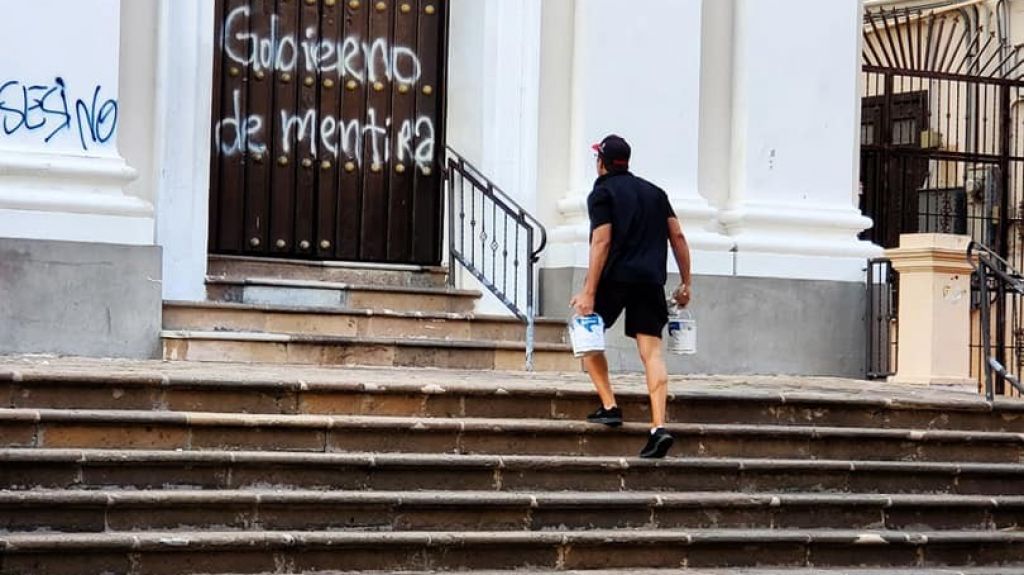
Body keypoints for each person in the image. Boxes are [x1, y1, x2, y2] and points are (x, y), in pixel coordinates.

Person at [570, 134, 692, 459]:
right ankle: (658, 428)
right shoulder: (655, 193)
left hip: (614, 278)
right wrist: (686, 283)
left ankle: (610, 405)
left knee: (587, 332)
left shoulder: (602, 192)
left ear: (602, 163)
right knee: (651, 352)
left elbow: (602, 242)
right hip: (650, 280)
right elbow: (677, 236)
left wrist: (588, 292)